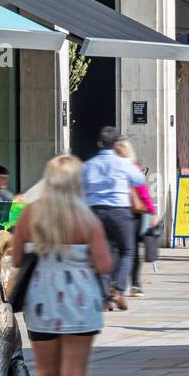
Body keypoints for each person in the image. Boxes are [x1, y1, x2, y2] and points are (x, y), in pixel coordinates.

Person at [11, 154, 112, 376]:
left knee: (45, 373)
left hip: (42, 300)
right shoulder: (88, 219)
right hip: (80, 303)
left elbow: (15, 258)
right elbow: (105, 264)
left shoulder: (31, 213)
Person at [82, 126, 146, 312]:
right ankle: (117, 289)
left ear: (99, 143)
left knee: (101, 253)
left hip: (95, 212)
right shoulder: (123, 164)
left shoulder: (89, 165)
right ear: (116, 144)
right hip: (119, 211)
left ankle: (104, 299)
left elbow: (81, 188)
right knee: (127, 250)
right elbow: (139, 180)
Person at [113, 139, 156, 297]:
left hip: (128, 212)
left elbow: (143, 191)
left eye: (119, 150)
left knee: (127, 249)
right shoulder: (130, 167)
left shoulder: (124, 167)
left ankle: (128, 284)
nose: (117, 153)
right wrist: (152, 211)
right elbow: (143, 191)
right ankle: (130, 285)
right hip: (129, 212)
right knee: (129, 250)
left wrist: (151, 211)